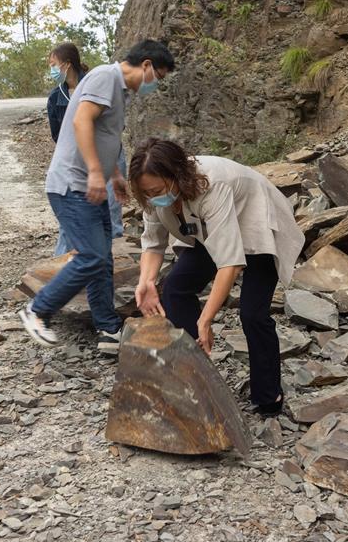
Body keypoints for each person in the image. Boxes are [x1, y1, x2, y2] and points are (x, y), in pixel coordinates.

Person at [128, 138, 305, 416]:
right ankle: (194, 377)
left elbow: (229, 264)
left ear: (176, 177)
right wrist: (146, 281)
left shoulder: (211, 185)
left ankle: (269, 397)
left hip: (255, 221)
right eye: (146, 193)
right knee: (175, 288)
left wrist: (206, 320)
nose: (152, 198)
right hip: (210, 230)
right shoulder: (152, 195)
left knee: (252, 313)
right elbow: (152, 244)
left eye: (158, 190)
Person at [19, 39, 175, 351]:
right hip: (72, 184)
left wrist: (114, 175)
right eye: (158, 75)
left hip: (91, 185)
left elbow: (108, 136)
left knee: (101, 259)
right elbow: (81, 120)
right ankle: (38, 310)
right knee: (90, 256)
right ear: (145, 65)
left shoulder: (120, 92)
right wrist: (93, 170)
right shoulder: (106, 77)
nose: (156, 83)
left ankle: (107, 328)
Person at [45, 42, 123, 254]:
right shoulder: (56, 96)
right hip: (77, 163)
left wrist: (113, 171)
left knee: (109, 213)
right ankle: (62, 265)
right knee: (71, 221)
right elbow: (58, 134)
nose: (52, 70)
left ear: (67, 65)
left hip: (107, 159)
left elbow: (108, 130)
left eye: (54, 64)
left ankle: (112, 259)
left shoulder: (94, 85)